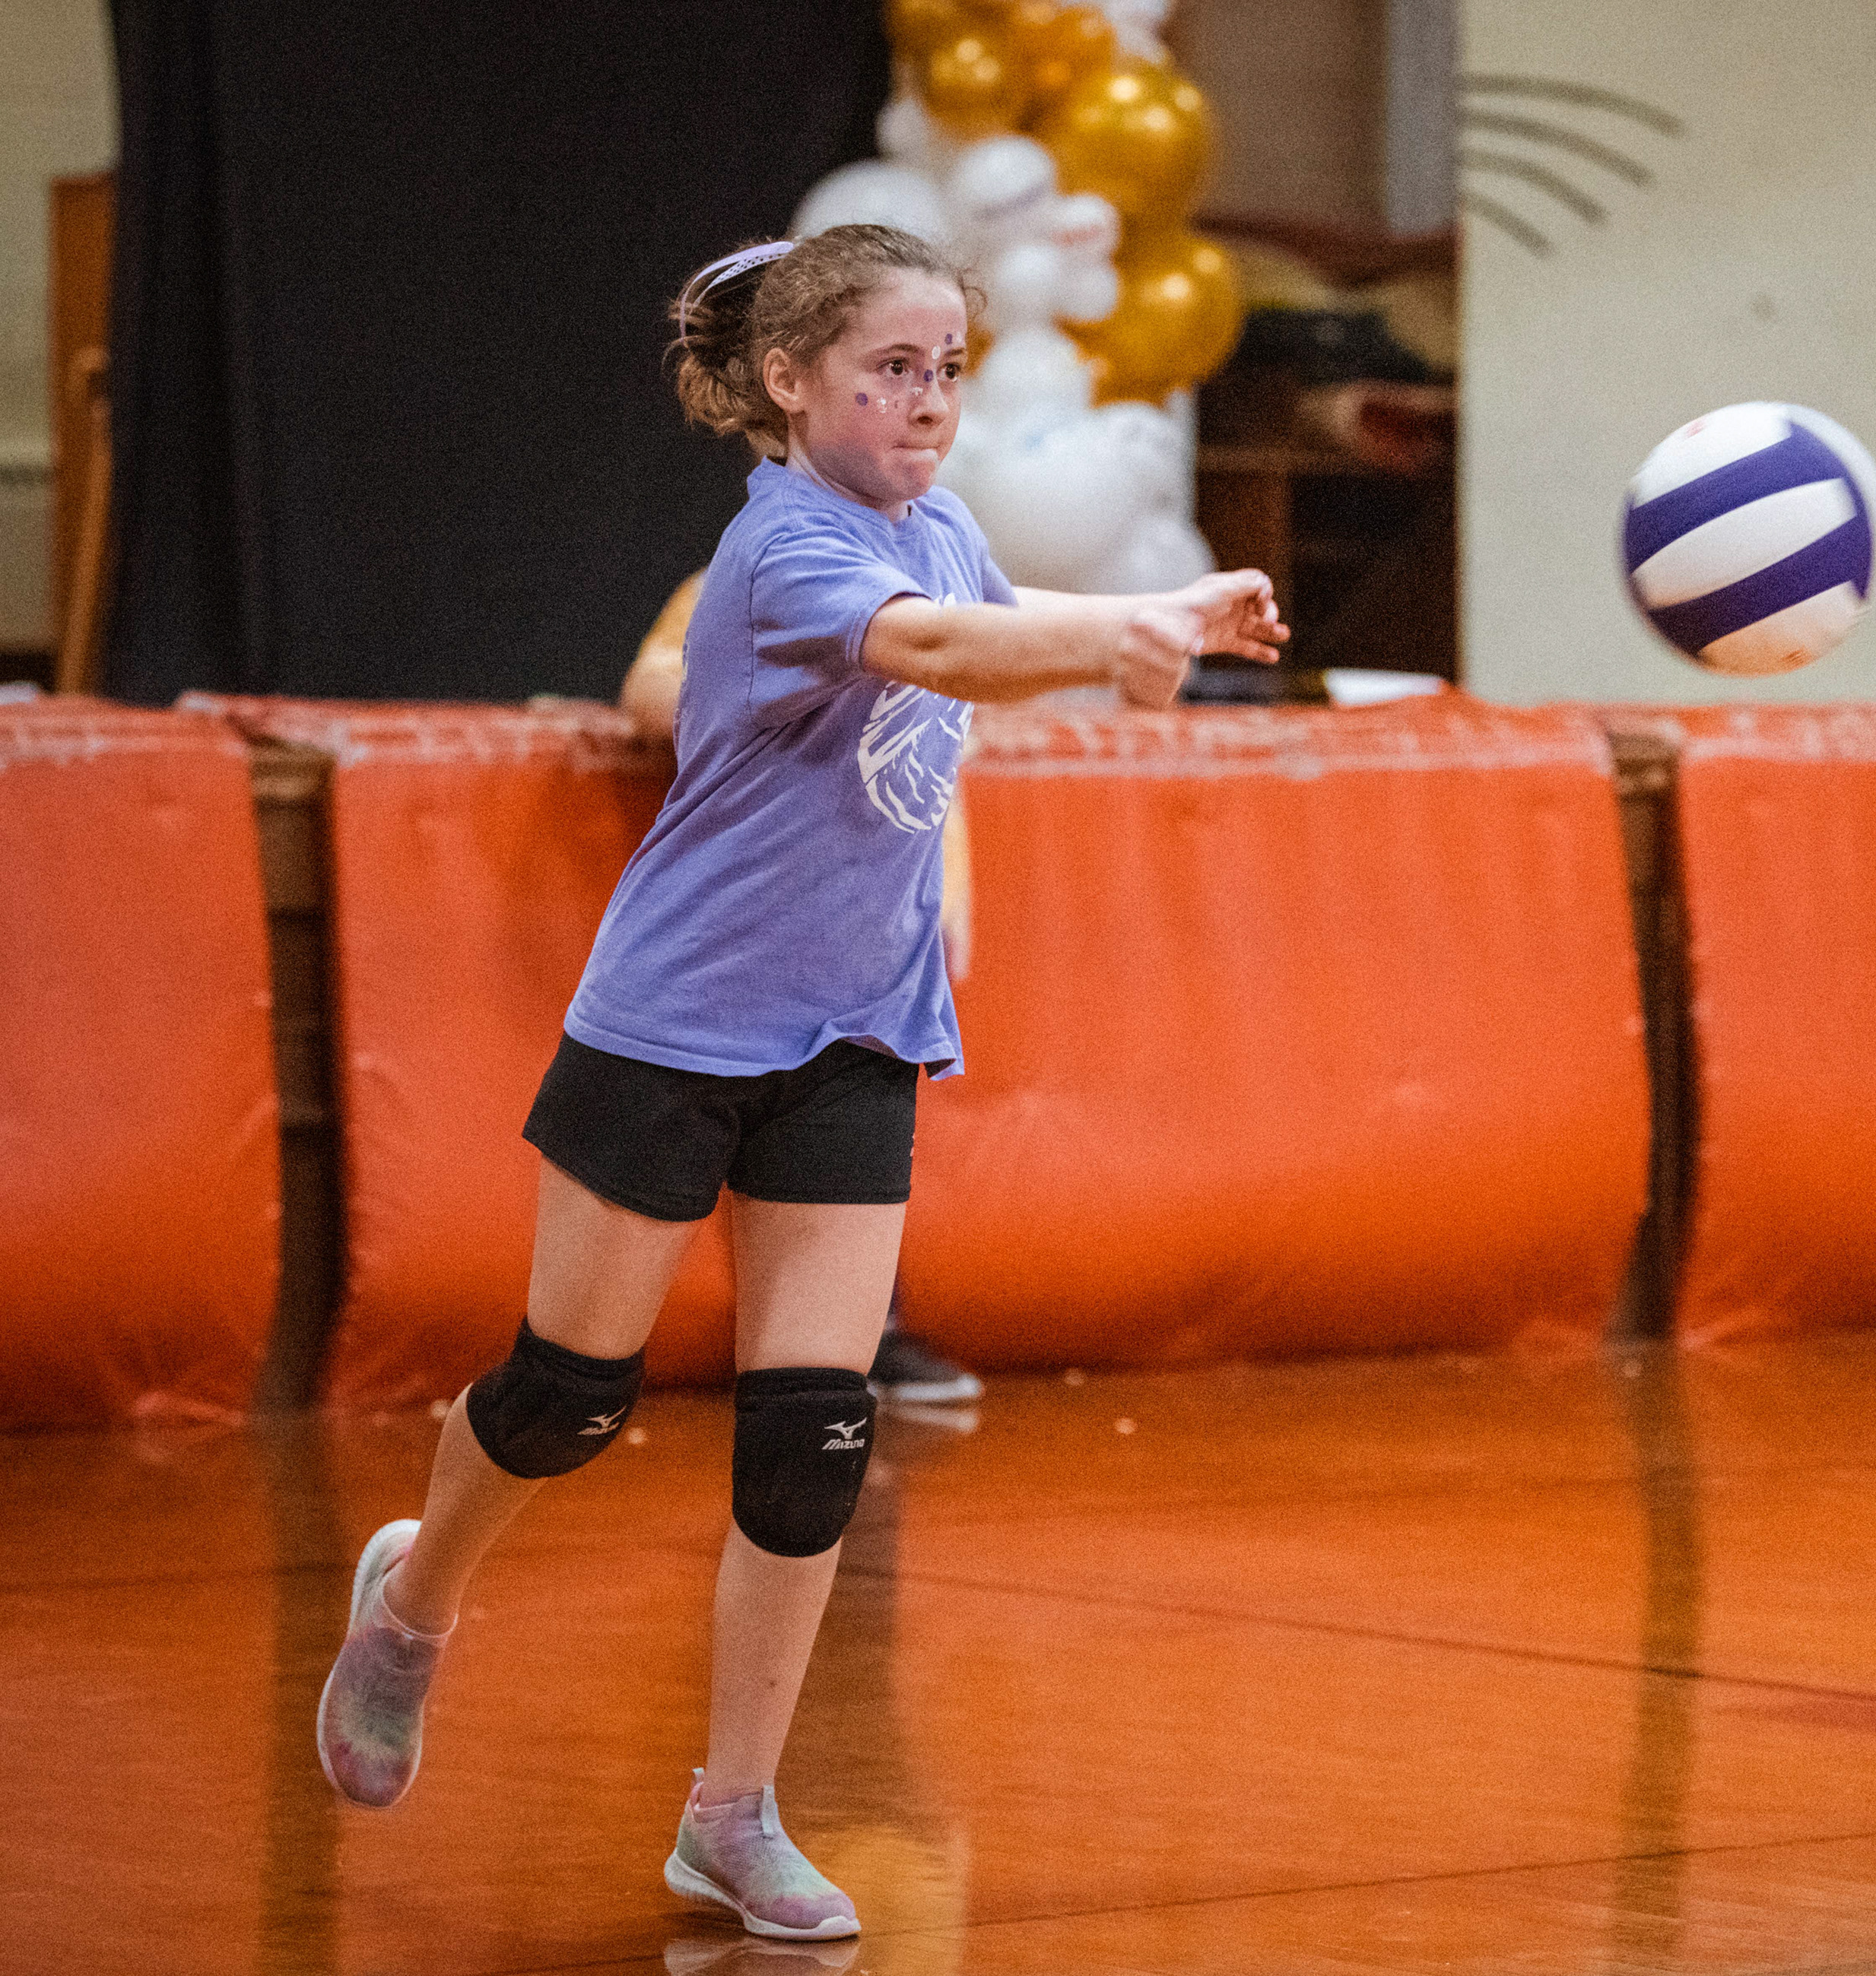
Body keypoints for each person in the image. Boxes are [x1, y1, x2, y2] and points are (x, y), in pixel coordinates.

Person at [312, 224, 1283, 1940]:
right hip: (676, 1024)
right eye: (892, 369)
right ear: (789, 378)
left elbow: (992, 620)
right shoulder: (781, 551)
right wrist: (1125, 626)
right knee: (566, 1399)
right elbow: (939, 652)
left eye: (948, 370)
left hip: (857, 1032)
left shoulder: (941, 527)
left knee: (812, 1441)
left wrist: (1152, 619)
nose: (930, 402)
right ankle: (414, 1598)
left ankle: (732, 1815)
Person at [625, 574, 982, 1408]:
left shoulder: (925, 595)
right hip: (757, 914)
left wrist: (949, 895)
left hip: (875, 927)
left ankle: (858, 1340)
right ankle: (656, 1341)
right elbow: (648, 689)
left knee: (850, 1135)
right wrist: (789, 698)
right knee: (738, 1120)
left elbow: (939, 758)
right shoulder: (749, 578)